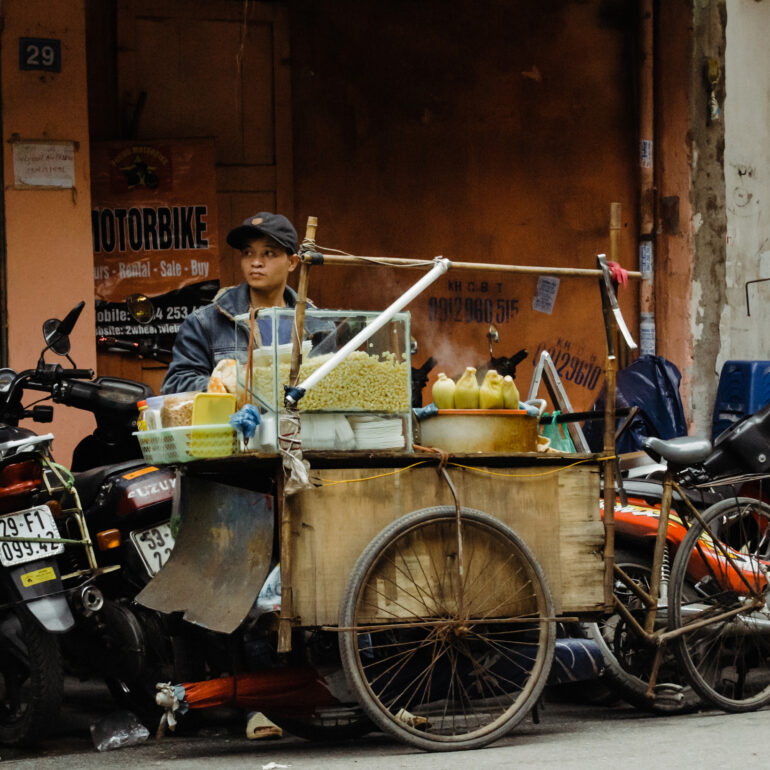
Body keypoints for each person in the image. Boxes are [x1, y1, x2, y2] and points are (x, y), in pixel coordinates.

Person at [162, 211, 322, 395]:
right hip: (234, 423)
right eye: (247, 252)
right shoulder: (205, 322)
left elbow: (333, 386)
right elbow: (175, 384)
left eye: (268, 253)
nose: (255, 262)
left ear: (292, 262)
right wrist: (226, 384)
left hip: (301, 423)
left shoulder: (316, 323)